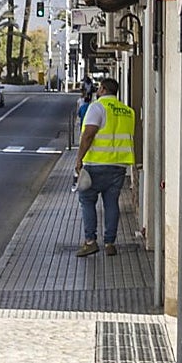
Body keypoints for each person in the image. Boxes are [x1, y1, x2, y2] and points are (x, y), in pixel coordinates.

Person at [74, 77, 135, 257]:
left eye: (99, 88)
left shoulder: (97, 107)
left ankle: (90, 242)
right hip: (118, 166)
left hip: (96, 165)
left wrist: (79, 159)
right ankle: (110, 243)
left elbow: (88, 135)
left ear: (102, 89)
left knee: (87, 201)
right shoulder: (127, 111)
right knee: (111, 204)